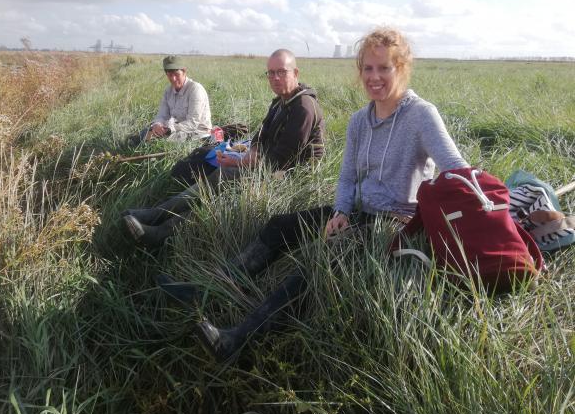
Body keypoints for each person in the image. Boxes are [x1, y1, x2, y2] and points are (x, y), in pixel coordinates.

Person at [165, 27, 469, 362]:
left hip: (394, 223)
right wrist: (339, 212)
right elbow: (347, 177)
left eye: (385, 68)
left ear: (402, 69)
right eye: (368, 68)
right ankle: (205, 292)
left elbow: (457, 168)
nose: (375, 76)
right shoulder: (359, 121)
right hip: (356, 211)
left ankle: (238, 340)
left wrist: (472, 206)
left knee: (319, 264)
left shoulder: (420, 115)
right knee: (280, 226)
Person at [122, 49, 325, 248]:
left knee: (226, 181)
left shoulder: (303, 107)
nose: (275, 78)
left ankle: (160, 229)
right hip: (271, 166)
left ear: (295, 73)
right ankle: (157, 217)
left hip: (292, 176)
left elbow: (281, 161)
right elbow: (260, 136)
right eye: (271, 73)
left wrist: (240, 162)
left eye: (281, 72)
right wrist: (249, 153)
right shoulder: (280, 102)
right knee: (218, 172)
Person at [129, 55, 212, 145]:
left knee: (157, 140)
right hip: (177, 130)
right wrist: (157, 125)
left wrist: (169, 129)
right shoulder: (168, 91)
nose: (173, 79)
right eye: (170, 75)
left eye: (177, 74)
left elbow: (193, 123)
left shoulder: (195, 89)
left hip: (197, 133)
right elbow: (162, 115)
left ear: (184, 72)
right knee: (148, 131)